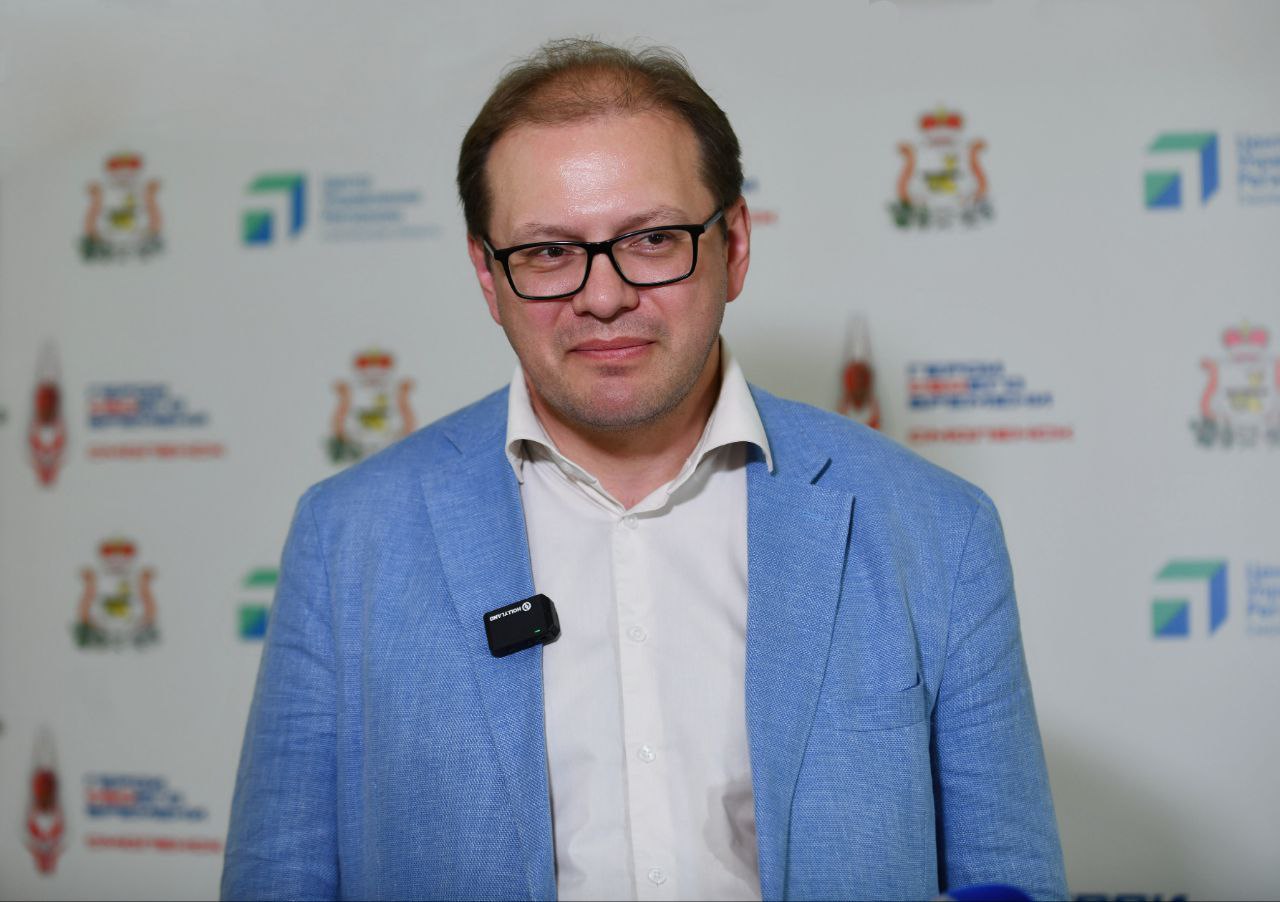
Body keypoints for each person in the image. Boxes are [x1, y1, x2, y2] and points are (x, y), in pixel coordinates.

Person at [222, 38, 1067, 902]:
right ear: (486, 275)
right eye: (548, 252)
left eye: (654, 239)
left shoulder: (937, 529)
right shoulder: (347, 538)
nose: (603, 296)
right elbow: (277, 879)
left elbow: (1009, 882)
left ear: (735, 244)